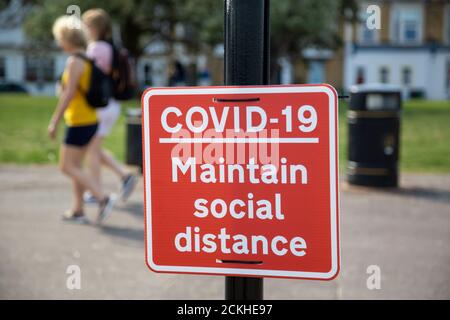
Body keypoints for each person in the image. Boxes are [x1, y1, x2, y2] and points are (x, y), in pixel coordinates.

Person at [48, 15, 116, 224]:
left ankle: (102, 198)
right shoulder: (86, 58)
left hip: (78, 121)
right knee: (76, 166)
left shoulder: (74, 61)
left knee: (66, 166)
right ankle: (78, 210)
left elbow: (68, 95)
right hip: (88, 119)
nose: (59, 43)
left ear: (67, 39)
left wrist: (54, 121)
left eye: (60, 38)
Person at [81, 9, 137, 203]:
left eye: (86, 25)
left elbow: (85, 75)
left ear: (95, 27)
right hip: (110, 104)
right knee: (92, 148)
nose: (84, 29)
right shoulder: (111, 47)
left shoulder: (95, 48)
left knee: (92, 151)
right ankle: (124, 175)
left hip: (100, 106)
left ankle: (96, 193)